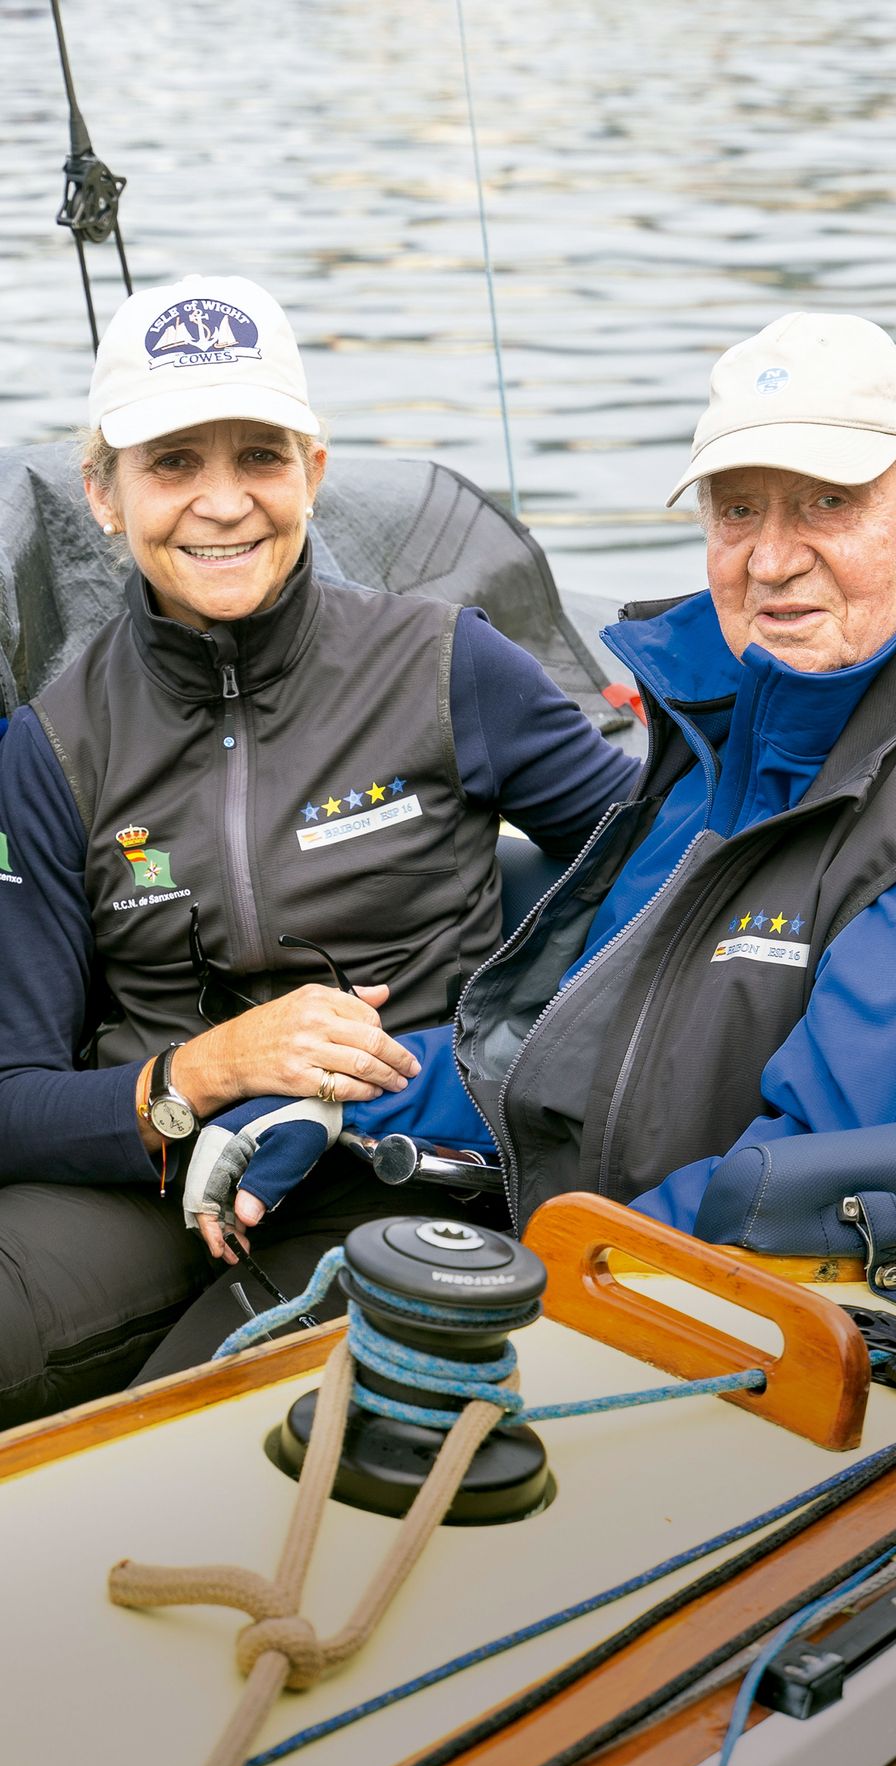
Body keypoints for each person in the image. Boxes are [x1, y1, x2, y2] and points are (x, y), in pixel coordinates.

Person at [155, 309, 896, 1368]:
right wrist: (333, 1095)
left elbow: (805, 1184)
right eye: (739, 510)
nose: (774, 558)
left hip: (689, 1319)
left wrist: (541, 1295)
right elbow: (575, 1027)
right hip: (574, 1240)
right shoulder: (731, 726)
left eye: (829, 503)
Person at [0, 273, 636, 1426]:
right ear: (103, 493)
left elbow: (668, 887)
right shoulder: (51, 745)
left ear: (315, 473)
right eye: (174, 463)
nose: (223, 503)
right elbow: (11, 1096)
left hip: (389, 1171)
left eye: (260, 456)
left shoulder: (452, 665)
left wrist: (462, 1059)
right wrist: (205, 1072)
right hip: (149, 1177)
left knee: (161, 1438)